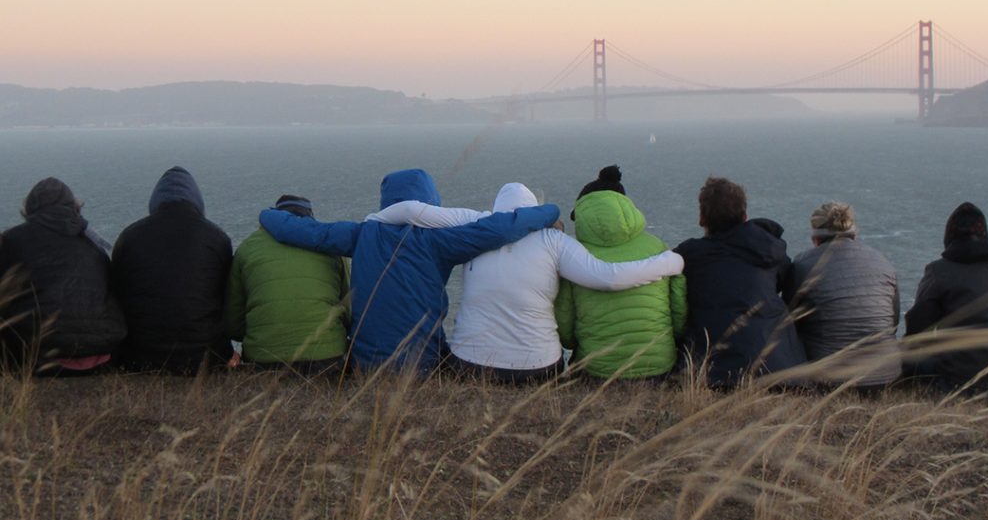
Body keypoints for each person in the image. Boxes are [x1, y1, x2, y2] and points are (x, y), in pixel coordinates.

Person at [369, 179, 684, 383]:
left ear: (498, 209)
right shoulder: (553, 240)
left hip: (472, 366)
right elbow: (609, 278)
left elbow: (413, 210)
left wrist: (373, 221)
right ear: (533, 210)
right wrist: (670, 261)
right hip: (537, 370)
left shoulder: (476, 223)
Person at [258, 168, 560, 373]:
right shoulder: (440, 240)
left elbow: (307, 232)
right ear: (431, 202)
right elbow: (500, 228)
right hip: (422, 364)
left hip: (366, 365)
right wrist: (548, 212)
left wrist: (268, 215)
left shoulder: (361, 234)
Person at [553, 166, 687, 380]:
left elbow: (566, 334)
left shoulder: (576, 256)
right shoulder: (658, 247)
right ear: (626, 207)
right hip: (659, 367)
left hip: (598, 372)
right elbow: (679, 311)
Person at [674, 176, 806, 388]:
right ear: (745, 216)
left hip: (711, 373)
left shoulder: (688, 256)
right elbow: (787, 286)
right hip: (779, 369)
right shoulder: (770, 252)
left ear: (702, 218)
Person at [110, 166, 233, 374]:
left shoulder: (129, 238)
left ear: (155, 201)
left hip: (139, 357)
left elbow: (118, 298)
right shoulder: (217, 239)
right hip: (205, 358)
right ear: (197, 201)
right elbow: (226, 302)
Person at [0, 177, 125, 374]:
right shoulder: (94, 246)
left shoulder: (10, 241)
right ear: (75, 207)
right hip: (100, 355)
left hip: (35, 357)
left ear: (29, 209)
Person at [903, 202, 988, 394]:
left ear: (949, 236)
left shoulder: (939, 271)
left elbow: (917, 329)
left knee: (909, 362)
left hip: (966, 383)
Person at [226, 194, 350, 373]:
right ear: (310, 216)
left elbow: (233, 323)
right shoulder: (330, 247)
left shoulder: (246, 248)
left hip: (263, 360)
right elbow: (349, 309)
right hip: (326, 357)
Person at [784, 201, 900, 389]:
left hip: (828, 379)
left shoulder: (803, 265)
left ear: (815, 237)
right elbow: (893, 323)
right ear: (854, 233)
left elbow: (789, 321)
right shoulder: (882, 261)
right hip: (884, 375)